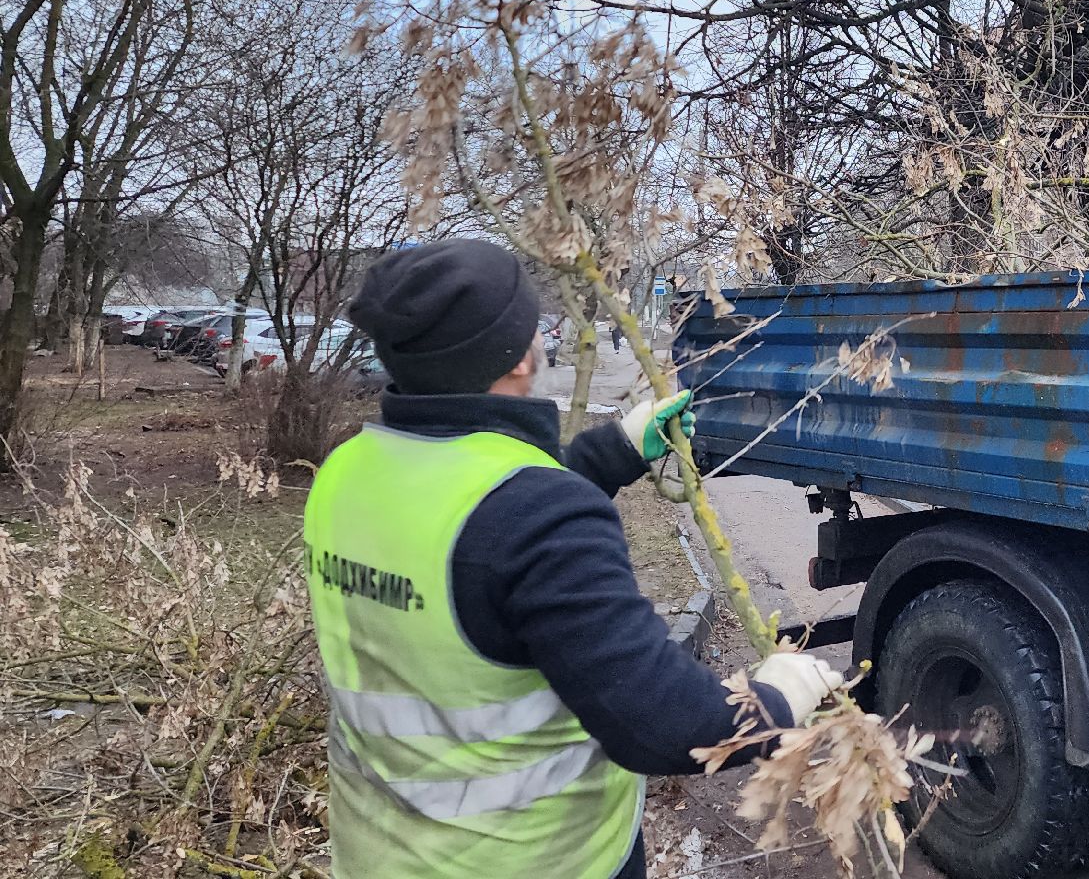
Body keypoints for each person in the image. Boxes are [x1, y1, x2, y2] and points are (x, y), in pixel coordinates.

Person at [305, 239, 841, 878]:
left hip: (379, 854)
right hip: (534, 860)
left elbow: (479, 550)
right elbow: (667, 727)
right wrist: (775, 699)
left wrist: (613, 449)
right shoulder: (536, 514)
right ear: (517, 361)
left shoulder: (347, 471)